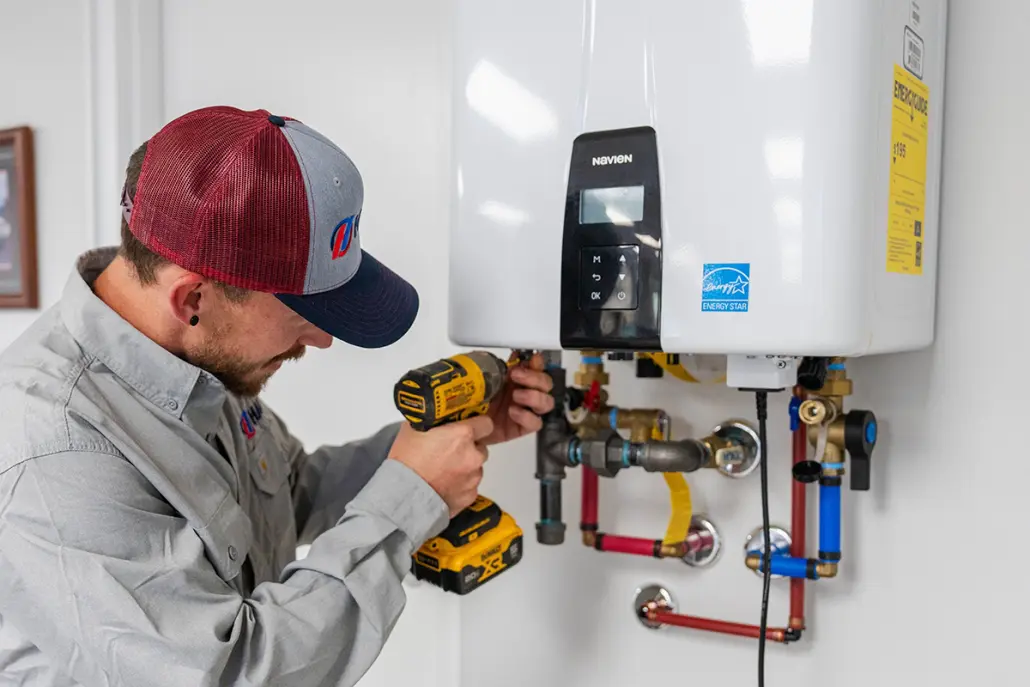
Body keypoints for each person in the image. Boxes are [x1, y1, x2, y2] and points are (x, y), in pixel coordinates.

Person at [0, 106, 555, 686]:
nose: (321, 339)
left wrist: (437, 439)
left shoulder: (196, 364)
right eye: (302, 313)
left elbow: (291, 493)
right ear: (193, 301)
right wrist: (410, 497)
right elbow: (234, 672)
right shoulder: (54, 450)